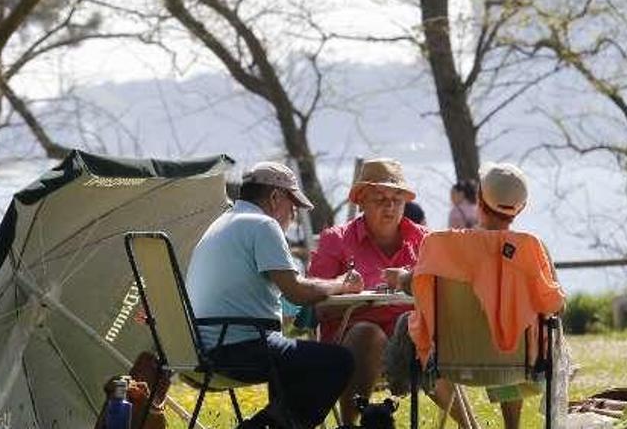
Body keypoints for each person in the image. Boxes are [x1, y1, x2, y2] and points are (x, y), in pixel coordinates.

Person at [385, 162, 564, 429]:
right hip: (517, 365)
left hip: (448, 362)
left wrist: (399, 277)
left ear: (479, 198)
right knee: (518, 322)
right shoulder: (531, 249)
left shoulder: (441, 246)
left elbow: (416, 284)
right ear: (522, 207)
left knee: (413, 331)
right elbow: (555, 304)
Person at [185, 161, 364, 429]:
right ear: (275, 197)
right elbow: (297, 292)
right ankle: (261, 426)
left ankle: (271, 423)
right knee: (339, 361)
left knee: (293, 359)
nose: (292, 218)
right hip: (241, 348)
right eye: (292, 208)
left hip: (200, 349)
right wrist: (341, 283)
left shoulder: (219, 225)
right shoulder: (262, 225)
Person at [308, 158, 470, 427]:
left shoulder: (425, 240)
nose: (390, 205)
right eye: (380, 198)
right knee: (367, 333)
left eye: (397, 197)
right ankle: (349, 424)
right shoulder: (335, 239)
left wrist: (411, 282)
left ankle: (466, 424)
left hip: (411, 339)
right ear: (361, 200)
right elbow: (318, 306)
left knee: (421, 333)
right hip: (352, 344)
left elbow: (450, 290)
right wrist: (346, 288)